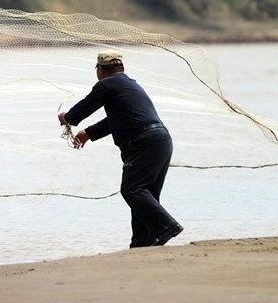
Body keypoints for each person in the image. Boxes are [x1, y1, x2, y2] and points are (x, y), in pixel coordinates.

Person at [57, 50, 183, 248]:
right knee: (145, 194)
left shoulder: (106, 84)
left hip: (144, 141)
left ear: (100, 70)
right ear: (120, 67)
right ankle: (143, 243)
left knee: (133, 189)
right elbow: (117, 119)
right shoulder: (129, 84)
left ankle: (167, 226)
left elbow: (80, 111)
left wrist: (67, 118)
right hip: (161, 140)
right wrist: (88, 134)